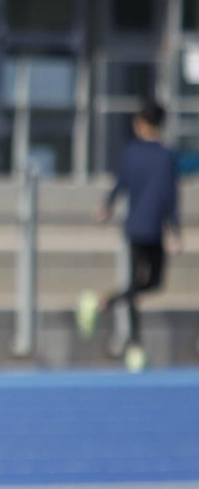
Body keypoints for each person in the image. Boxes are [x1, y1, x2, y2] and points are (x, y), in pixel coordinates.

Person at [76, 100, 182, 372]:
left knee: (144, 285)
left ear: (144, 124)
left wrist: (107, 206)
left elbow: (121, 184)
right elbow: (170, 198)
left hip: (138, 227)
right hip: (150, 227)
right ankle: (133, 345)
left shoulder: (139, 153)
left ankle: (106, 307)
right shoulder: (163, 155)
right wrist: (174, 231)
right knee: (144, 284)